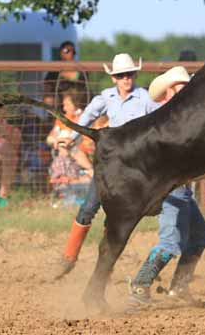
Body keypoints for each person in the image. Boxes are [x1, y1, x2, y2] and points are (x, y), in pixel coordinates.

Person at [54, 53, 160, 279]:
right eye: (121, 75)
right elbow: (87, 117)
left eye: (129, 74)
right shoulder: (106, 98)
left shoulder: (145, 98)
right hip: (111, 164)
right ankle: (69, 257)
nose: (126, 79)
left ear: (135, 75)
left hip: (135, 168)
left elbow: (160, 122)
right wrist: (71, 136)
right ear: (114, 78)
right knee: (88, 207)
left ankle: (104, 267)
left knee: (115, 218)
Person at [128, 65, 205, 307]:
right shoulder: (167, 120)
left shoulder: (180, 117)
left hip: (179, 186)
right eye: (179, 88)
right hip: (169, 186)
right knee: (169, 241)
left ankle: (178, 288)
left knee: (199, 236)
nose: (184, 92)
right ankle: (140, 286)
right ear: (166, 93)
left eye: (186, 88)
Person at [43, 41, 89, 109]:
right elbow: (47, 87)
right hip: (59, 101)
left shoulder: (81, 71)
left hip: (76, 101)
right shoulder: (54, 71)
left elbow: (83, 88)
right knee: (49, 99)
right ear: (60, 52)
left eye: (73, 51)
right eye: (66, 50)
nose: (70, 53)